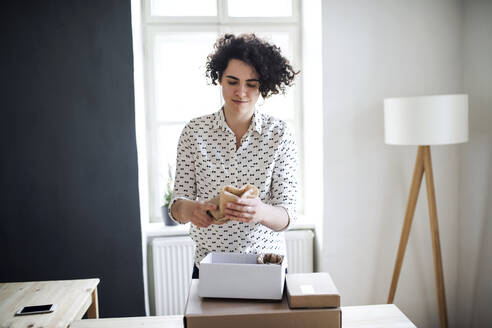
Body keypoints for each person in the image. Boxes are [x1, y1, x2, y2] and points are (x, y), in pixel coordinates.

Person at [168, 33, 299, 279]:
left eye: (252, 83)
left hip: (267, 265)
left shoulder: (280, 134)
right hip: (209, 265)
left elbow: (288, 215)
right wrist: (191, 210)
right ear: (219, 79)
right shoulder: (194, 132)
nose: (241, 92)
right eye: (232, 81)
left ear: (264, 85)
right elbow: (177, 206)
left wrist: (260, 212)